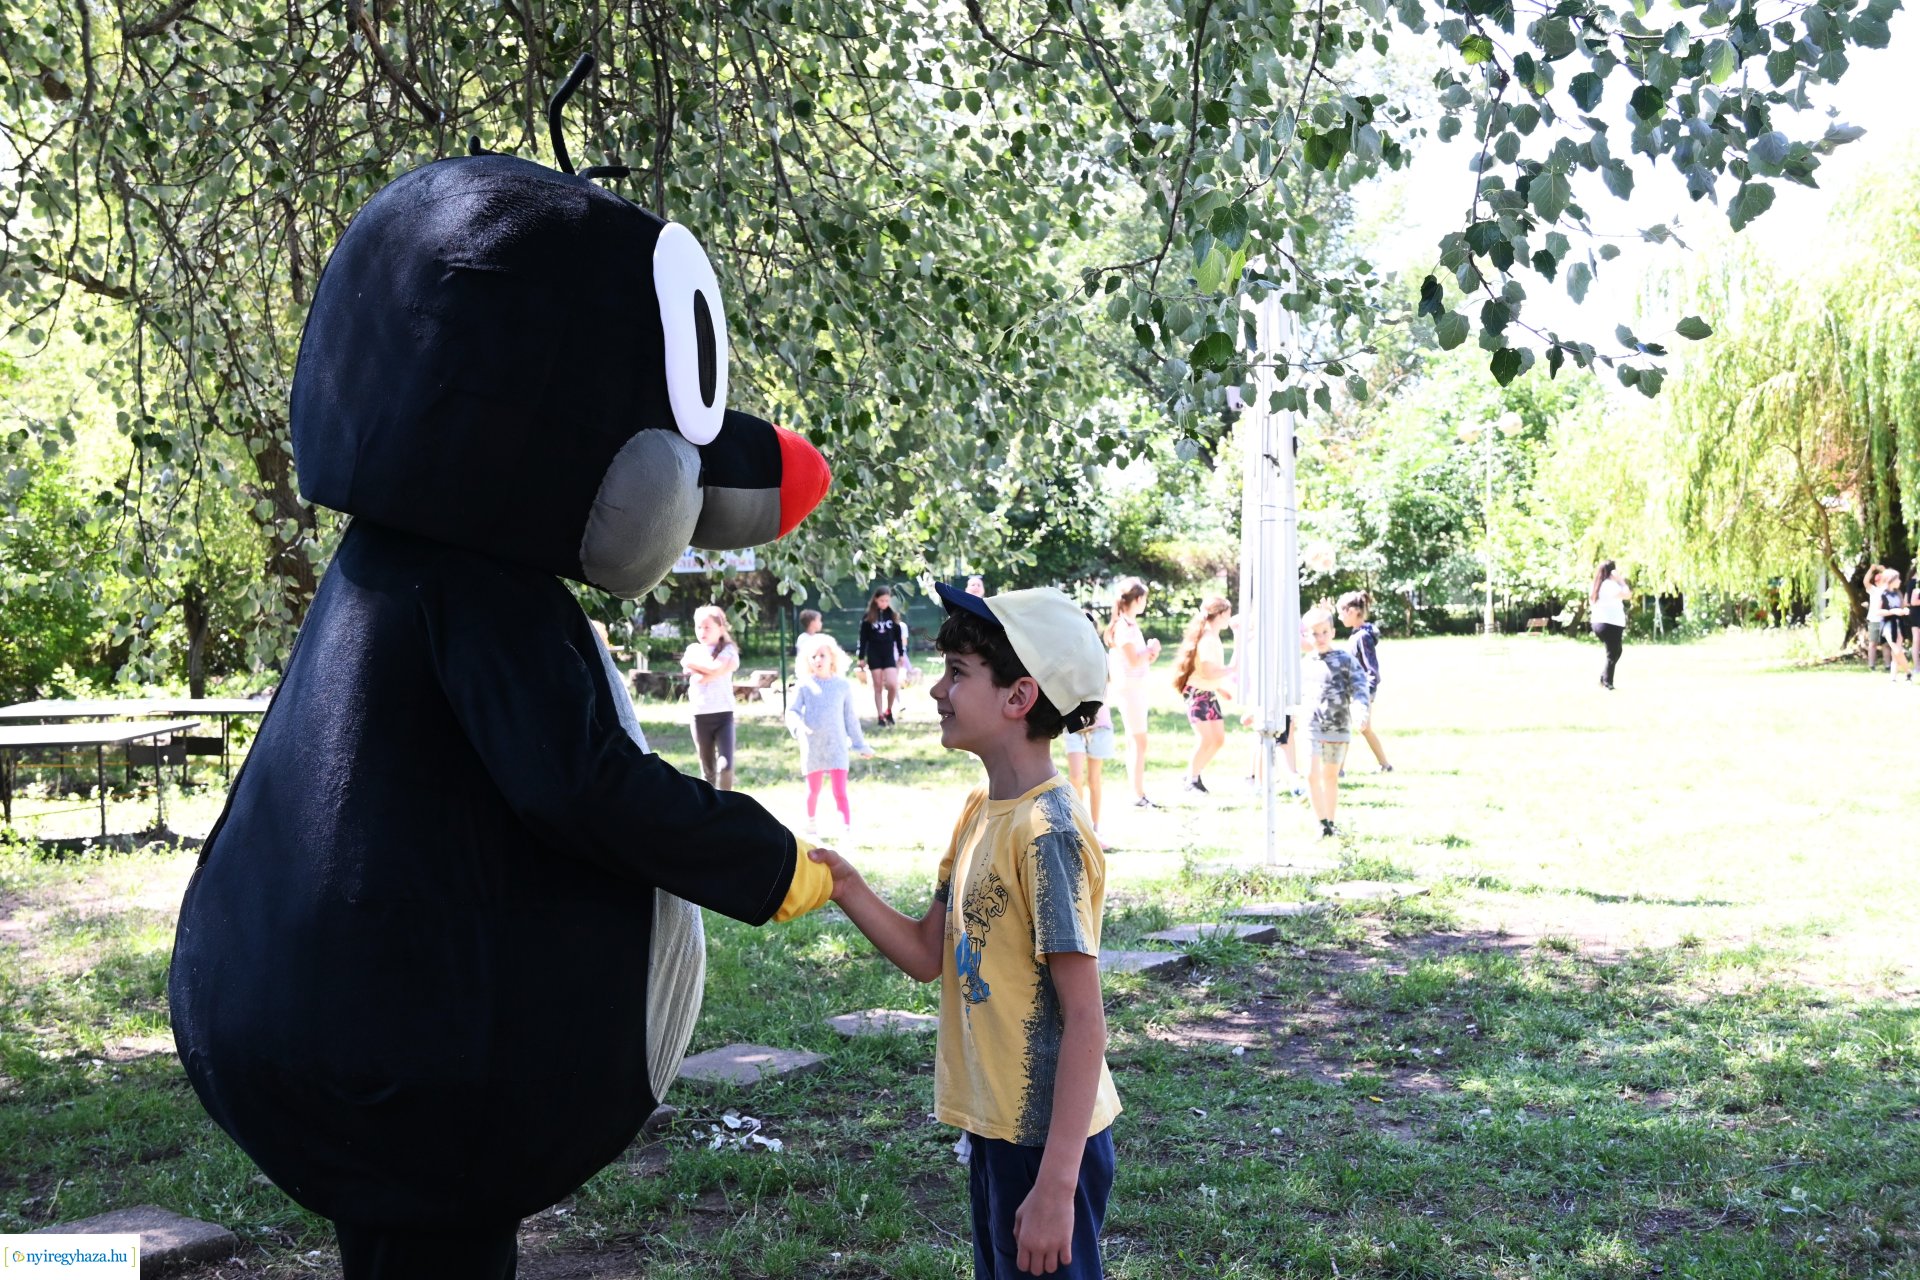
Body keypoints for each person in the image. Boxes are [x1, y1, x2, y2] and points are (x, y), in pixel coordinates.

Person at [807, 583, 1119, 1279]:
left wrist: (1056, 1186)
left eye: (957, 674)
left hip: (1047, 1144)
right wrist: (846, 886)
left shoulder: (1048, 835)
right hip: (994, 1128)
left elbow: (1085, 1020)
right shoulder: (982, 808)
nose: (936, 691)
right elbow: (927, 954)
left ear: (1019, 698)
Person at [786, 634, 874, 838]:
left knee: (840, 791)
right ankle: (810, 823)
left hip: (837, 747)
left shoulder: (842, 686)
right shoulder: (804, 685)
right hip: (812, 747)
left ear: (832, 658)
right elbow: (792, 712)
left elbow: (850, 718)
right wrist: (798, 727)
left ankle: (846, 827)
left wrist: (861, 745)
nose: (818, 660)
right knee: (813, 790)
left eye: (822, 655)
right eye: (813, 656)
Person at [1297, 607, 1371, 838]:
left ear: (1332, 632)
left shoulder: (1345, 660)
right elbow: (1290, 693)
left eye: (1324, 632)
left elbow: (1360, 687)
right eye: (1314, 633)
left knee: (1330, 776)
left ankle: (1330, 823)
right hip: (1311, 725)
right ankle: (1321, 823)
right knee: (1310, 774)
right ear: (1306, 636)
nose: (1319, 638)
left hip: (1338, 726)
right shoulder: (1304, 664)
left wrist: (1360, 710)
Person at [1103, 577, 1161, 808]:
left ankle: (1136, 791)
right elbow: (1133, 660)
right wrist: (1150, 648)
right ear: (1137, 599)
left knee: (1135, 741)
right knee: (1139, 741)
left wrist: (1149, 653)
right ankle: (1138, 794)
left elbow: (1139, 660)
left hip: (1135, 688)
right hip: (1129, 691)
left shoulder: (1129, 625)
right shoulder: (1123, 627)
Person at [1169, 596, 1234, 794]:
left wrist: (1218, 687)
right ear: (1221, 614)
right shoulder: (1207, 639)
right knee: (1206, 739)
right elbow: (1208, 671)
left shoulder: (1213, 637)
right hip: (1197, 694)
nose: (1229, 619)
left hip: (1208, 693)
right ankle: (1192, 779)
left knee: (1218, 739)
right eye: (1228, 614)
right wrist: (1233, 669)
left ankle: (1193, 773)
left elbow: (1207, 673)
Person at [681, 604, 741, 789]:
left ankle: (727, 803)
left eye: (707, 627)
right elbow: (687, 664)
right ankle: (711, 809)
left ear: (720, 628)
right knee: (708, 771)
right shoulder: (693, 649)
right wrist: (714, 671)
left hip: (724, 716)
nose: (702, 631)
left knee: (726, 766)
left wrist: (706, 671)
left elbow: (708, 671)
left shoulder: (729, 650)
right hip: (700, 716)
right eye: (699, 627)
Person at [1337, 592, 1393, 772]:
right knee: (1363, 728)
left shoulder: (1362, 637)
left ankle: (1339, 769)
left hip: (1361, 692)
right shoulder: (1356, 634)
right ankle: (1385, 765)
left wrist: (1364, 695)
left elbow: (1372, 671)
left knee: (1346, 726)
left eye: (1341, 612)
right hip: (1353, 689)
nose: (1339, 616)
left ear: (1352, 612)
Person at [1064, 701, 1116, 847]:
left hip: (1099, 726)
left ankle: (1095, 828)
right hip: (1073, 725)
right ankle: (1080, 826)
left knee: (1094, 780)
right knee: (1075, 778)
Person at [858, 587, 907, 726]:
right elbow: (863, 638)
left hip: (888, 654)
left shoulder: (893, 615)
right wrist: (861, 657)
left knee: (892, 684)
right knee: (878, 686)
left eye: (887, 600)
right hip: (874, 654)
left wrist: (901, 654)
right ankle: (880, 716)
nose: (884, 603)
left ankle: (889, 711)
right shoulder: (868, 616)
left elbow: (898, 637)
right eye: (882, 600)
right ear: (875, 599)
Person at [1590, 560, 1631, 690]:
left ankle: (1604, 678)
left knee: (1615, 651)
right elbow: (1627, 595)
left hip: (1598, 622)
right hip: (1610, 623)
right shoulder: (1610, 585)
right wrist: (1621, 580)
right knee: (1613, 653)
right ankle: (1607, 683)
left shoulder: (1596, 585)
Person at [1879, 569, 1910, 681]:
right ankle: (1909, 672)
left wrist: (1904, 610)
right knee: (1896, 649)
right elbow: (1878, 611)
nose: (1900, 581)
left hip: (1898, 623)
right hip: (1888, 623)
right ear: (1890, 580)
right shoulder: (1882, 594)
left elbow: (1902, 607)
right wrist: (1892, 612)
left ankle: (1893, 677)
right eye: (1897, 578)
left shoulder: (1898, 593)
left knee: (1895, 654)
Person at [1864, 565, 1887, 671]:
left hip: (1885, 620)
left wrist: (1883, 570)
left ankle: (1888, 665)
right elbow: (1866, 582)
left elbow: (1891, 577)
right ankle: (1871, 665)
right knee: (1872, 643)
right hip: (1874, 620)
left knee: (1886, 644)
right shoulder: (1873, 590)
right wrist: (1871, 569)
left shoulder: (1886, 589)